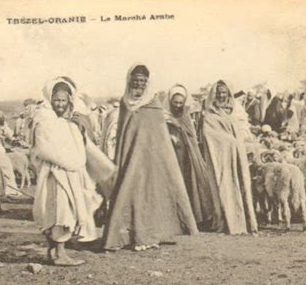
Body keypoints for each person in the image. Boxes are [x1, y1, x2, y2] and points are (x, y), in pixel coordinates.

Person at [103, 64, 198, 252]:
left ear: (147, 83)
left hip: (151, 162)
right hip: (130, 160)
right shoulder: (124, 103)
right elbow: (124, 133)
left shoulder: (153, 105)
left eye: (142, 81)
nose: (138, 84)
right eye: (135, 81)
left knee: (150, 196)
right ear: (129, 81)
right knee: (127, 194)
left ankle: (149, 235)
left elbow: (159, 137)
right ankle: (127, 236)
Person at [31, 76, 102, 266]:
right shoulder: (44, 119)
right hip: (54, 173)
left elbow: (77, 143)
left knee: (64, 211)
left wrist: (75, 127)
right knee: (57, 212)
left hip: (67, 172)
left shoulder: (68, 119)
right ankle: (58, 253)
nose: (60, 104)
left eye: (63, 100)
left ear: (69, 100)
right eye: (56, 100)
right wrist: (70, 162)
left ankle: (56, 252)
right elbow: (46, 147)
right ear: (50, 99)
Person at [200, 80, 258, 234]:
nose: (221, 95)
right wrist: (228, 141)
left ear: (228, 94)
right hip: (220, 157)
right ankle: (226, 221)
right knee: (223, 185)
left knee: (241, 183)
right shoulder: (210, 114)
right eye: (218, 93)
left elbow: (241, 130)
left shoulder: (234, 110)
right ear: (214, 94)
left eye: (224, 92)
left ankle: (244, 221)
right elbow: (208, 133)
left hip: (236, 155)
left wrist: (236, 142)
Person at [165, 84, 222, 230]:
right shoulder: (164, 117)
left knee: (191, 185)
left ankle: (194, 218)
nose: (178, 106)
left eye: (180, 103)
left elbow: (191, 135)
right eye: (175, 103)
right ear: (170, 102)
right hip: (171, 155)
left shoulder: (186, 116)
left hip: (188, 156)